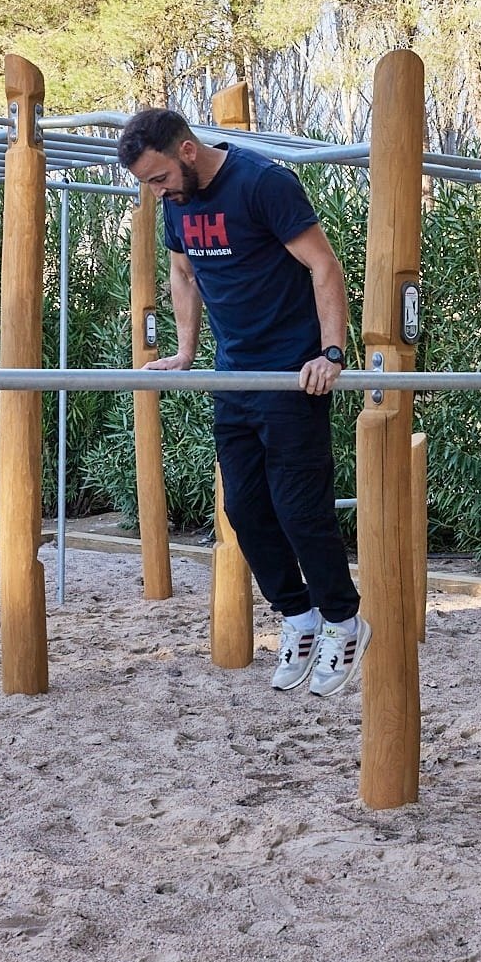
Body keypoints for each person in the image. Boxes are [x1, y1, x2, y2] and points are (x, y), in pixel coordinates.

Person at [117, 108, 369, 696]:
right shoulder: (176, 205)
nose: (156, 194)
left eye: (158, 179)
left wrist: (330, 354)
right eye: (146, 185)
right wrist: (185, 353)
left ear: (186, 151)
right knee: (245, 510)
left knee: (299, 509)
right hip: (234, 378)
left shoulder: (262, 184)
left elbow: (323, 265)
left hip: (291, 375)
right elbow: (183, 273)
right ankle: (299, 616)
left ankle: (343, 619)